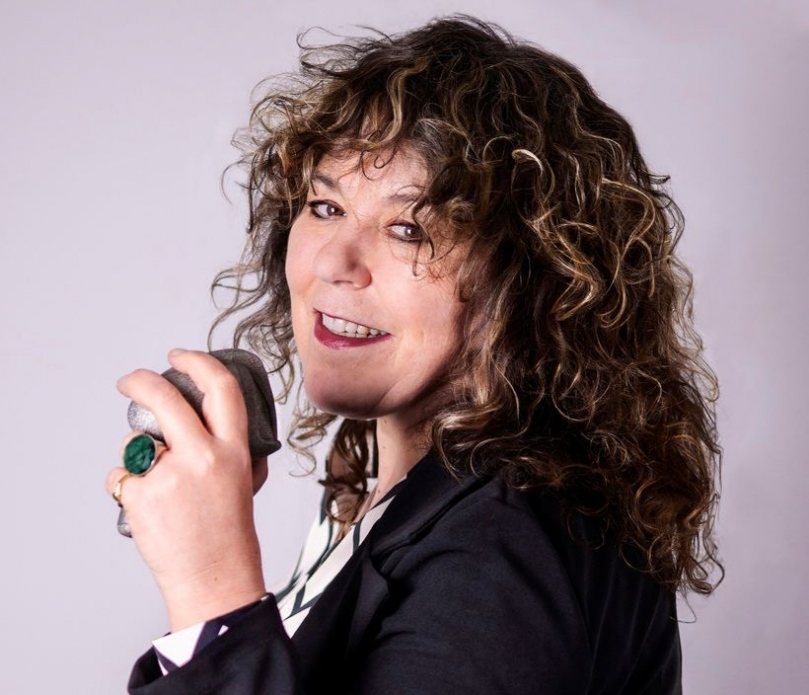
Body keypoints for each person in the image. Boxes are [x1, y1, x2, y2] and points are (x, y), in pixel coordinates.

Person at [105, 15, 721, 694]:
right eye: (325, 206)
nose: (333, 263)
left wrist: (211, 591)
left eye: (408, 229)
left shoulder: (498, 550)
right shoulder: (396, 495)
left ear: (534, 279)